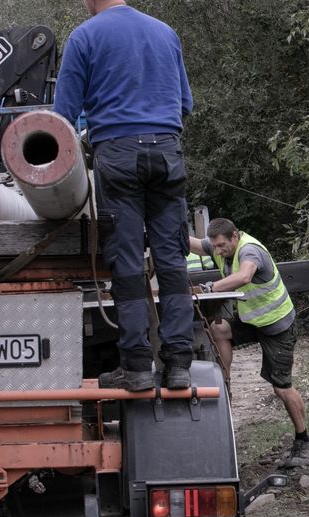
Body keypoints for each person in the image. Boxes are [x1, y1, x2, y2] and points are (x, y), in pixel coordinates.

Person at [54, 0, 195, 392]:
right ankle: (179, 364)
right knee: (171, 259)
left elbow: (62, 115)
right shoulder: (165, 32)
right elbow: (185, 104)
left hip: (117, 155)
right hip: (167, 151)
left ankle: (137, 366)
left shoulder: (85, 36)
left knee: (129, 263)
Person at [189, 219, 309, 467]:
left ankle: (304, 441)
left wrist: (208, 288)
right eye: (215, 246)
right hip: (253, 320)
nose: (219, 250)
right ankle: (226, 384)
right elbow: (193, 244)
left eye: (223, 245)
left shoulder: (249, 250)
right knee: (219, 330)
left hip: (277, 325)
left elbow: (244, 276)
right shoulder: (219, 245)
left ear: (234, 236)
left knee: (282, 388)